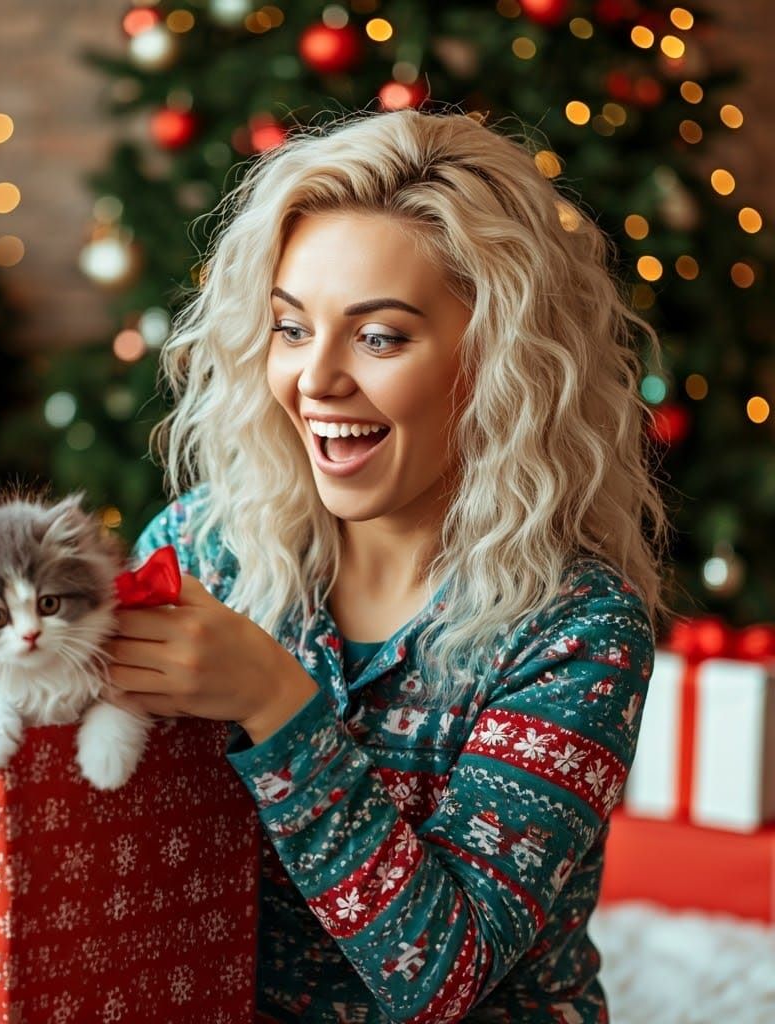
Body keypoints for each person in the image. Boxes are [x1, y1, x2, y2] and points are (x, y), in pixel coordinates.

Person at [103, 107, 672, 1023]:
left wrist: (276, 703)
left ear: (496, 361)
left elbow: (439, 979)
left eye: (379, 337)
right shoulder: (201, 547)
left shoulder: (576, 630)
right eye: (292, 328)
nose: (316, 380)